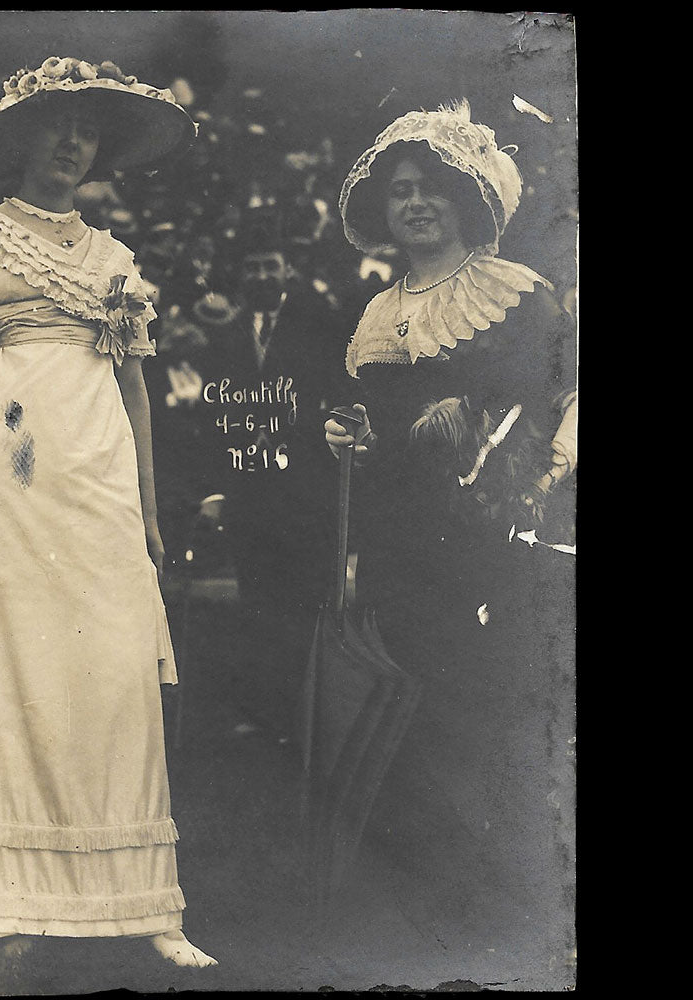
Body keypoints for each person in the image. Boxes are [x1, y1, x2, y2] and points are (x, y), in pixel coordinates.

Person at [0, 55, 216, 968]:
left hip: (99, 476)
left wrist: (151, 508)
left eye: (87, 128)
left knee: (114, 666)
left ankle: (139, 896)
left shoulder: (117, 258)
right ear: (19, 137)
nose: (72, 141)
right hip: (5, 471)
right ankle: (1, 893)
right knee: (11, 664)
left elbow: (139, 394)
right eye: (55, 124)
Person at [323, 102, 576, 927]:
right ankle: (422, 893)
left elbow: (554, 399)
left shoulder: (516, 294)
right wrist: (349, 437)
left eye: (431, 189)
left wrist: (509, 464)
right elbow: (378, 431)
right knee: (407, 703)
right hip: (400, 543)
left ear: (465, 201)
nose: (416, 204)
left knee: (488, 708)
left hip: (491, 538)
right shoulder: (374, 314)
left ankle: (504, 899)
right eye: (400, 192)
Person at [199, 211, 353, 742]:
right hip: (249, 497)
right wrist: (218, 490)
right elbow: (214, 419)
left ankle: (310, 716)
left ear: (287, 270)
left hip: (305, 494)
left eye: (272, 266)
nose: (263, 276)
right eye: (253, 268)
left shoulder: (318, 325)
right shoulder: (225, 337)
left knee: (307, 605)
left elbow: (339, 402)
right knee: (257, 605)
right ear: (242, 275)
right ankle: (264, 715)